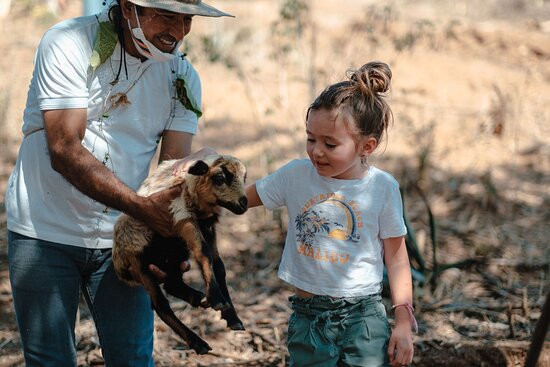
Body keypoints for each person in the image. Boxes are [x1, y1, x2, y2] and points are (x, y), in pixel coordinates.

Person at [5, 0, 232, 366]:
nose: (177, 32)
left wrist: (165, 246)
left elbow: (170, 174)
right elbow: (64, 148)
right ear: (128, 8)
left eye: (187, 19)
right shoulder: (68, 42)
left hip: (123, 239)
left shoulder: (182, 77)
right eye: (166, 16)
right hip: (42, 229)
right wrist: (143, 210)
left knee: (132, 357)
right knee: (49, 359)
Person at [246, 61, 416, 367]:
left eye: (330, 143)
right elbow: (239, 200)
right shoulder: (296, 176)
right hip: (308, 318)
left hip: (363, 318)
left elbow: (397, 258)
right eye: (311, 139)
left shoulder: (382, 188)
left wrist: (403, 322)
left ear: (367, 145)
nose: (316, 151)